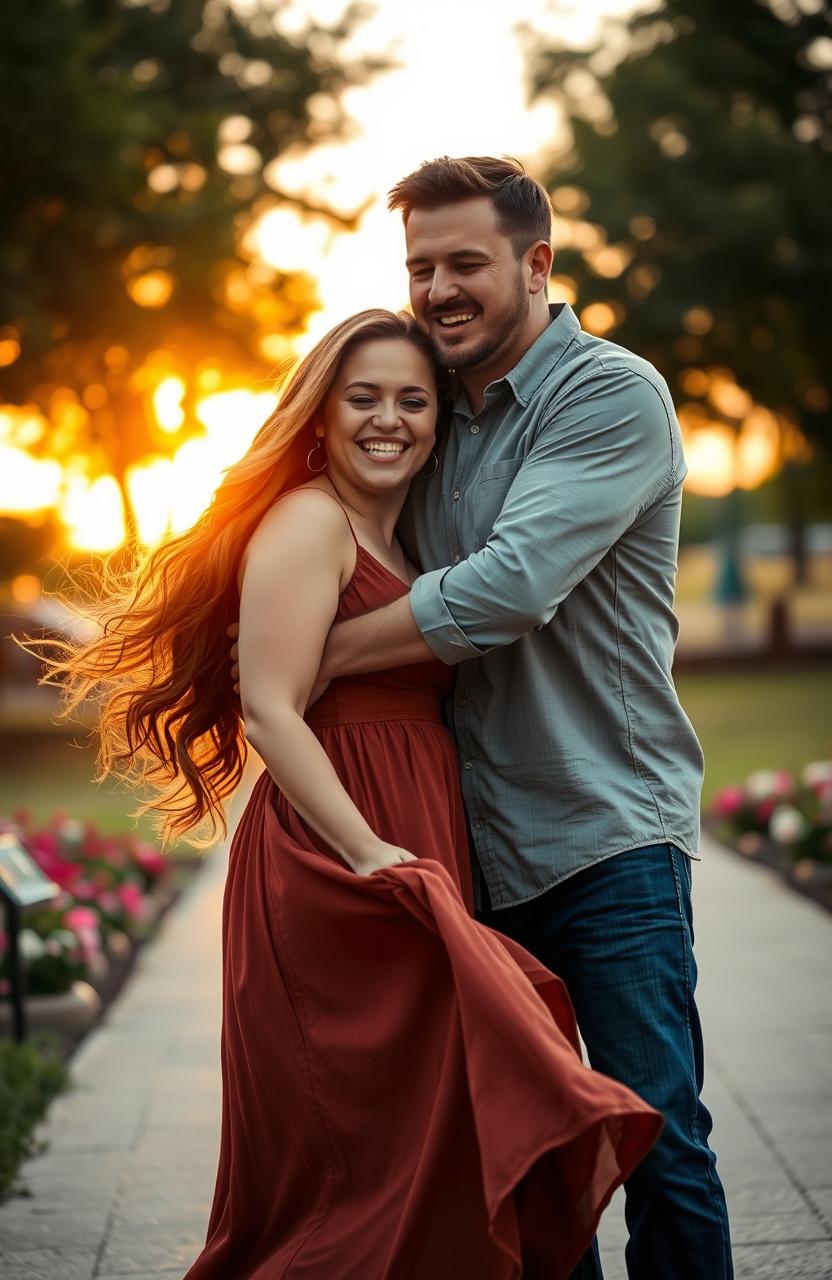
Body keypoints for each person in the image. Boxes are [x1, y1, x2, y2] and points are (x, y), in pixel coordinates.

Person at [42, 308, 661, 1279]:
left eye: (412, 399)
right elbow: (272, 711)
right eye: (362, 396)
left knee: (435, 1134)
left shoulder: (407, 535)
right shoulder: (308, 519)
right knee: (358, 1158)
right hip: (338, 863)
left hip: (414, 844)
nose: (389, 418)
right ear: (320, 414)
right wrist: (367, 850)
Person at [230, 157, 734, 1279]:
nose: (439, 289)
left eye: (465, 262)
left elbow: (506, 588)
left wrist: (313, 660)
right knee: (528, 1155)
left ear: (535, 262)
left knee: (655, 1135)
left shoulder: (607, 395)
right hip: (470, 848)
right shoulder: (434, 414)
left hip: (602, 834)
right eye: (420, 268)